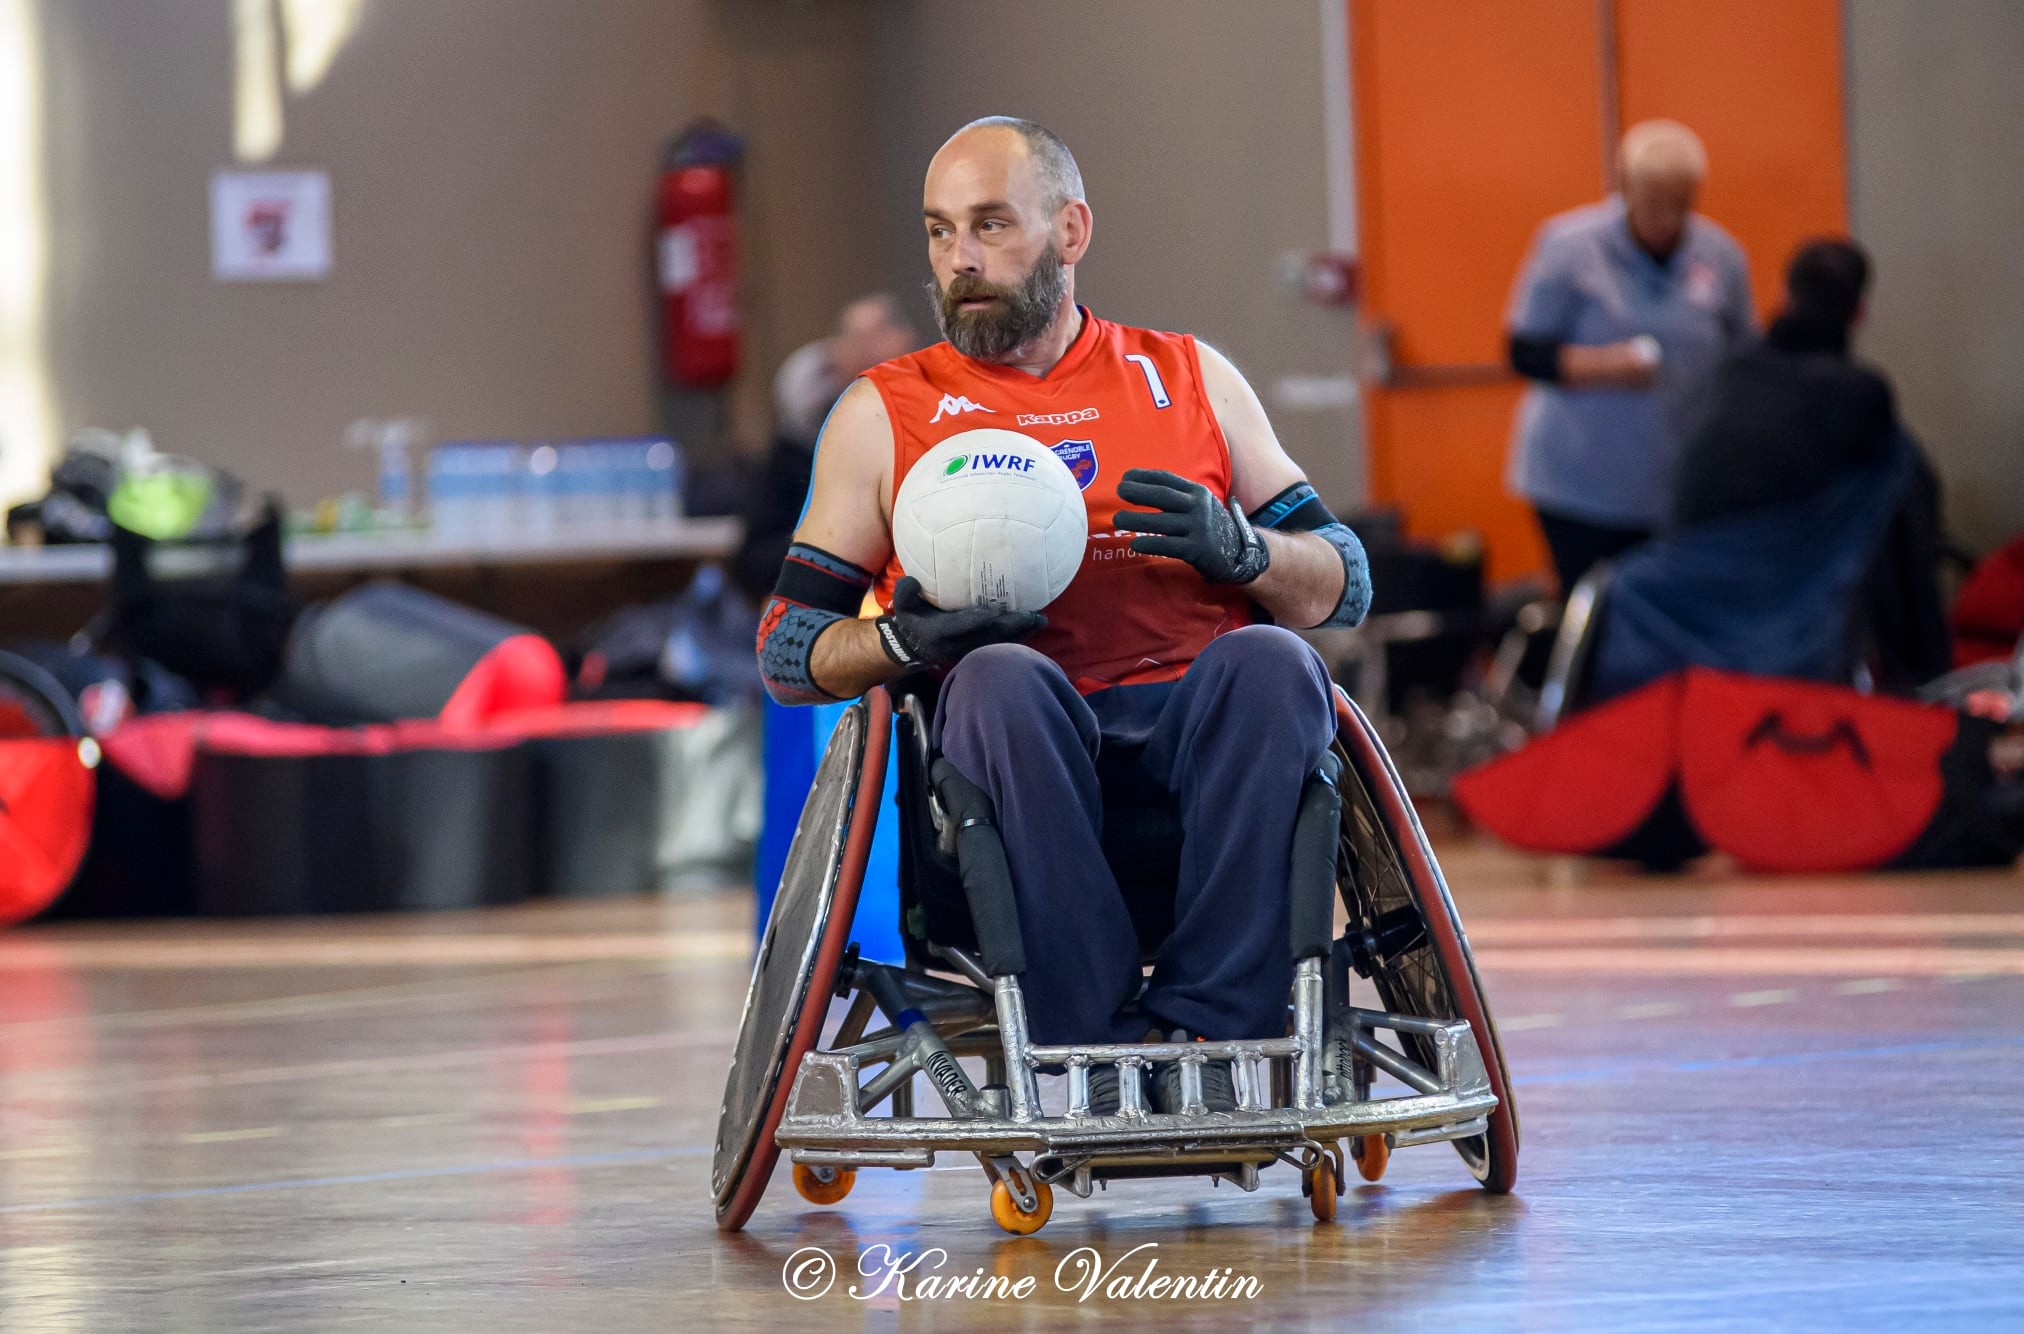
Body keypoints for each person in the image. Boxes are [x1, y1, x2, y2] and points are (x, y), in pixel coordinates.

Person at [754, 116, 1371, 1114]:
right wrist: (902, 640)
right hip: (1011, 754)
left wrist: (1248, 552)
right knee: (996, 677)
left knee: (1274, 661)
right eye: (939, 231)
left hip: (1195, 737)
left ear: (1070, 230)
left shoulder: (1187, 377)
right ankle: (1087, 1038)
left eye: (991, 225)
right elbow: (785, 650)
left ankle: (1211, 1030)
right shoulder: (882, 411)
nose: (960, 259)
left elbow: (1345, 579)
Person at [1671, 239, 1951, 686]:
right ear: (1859, 313)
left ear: (1783, 295)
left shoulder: (1731, 373)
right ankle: (1921, 675)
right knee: (1902, 474)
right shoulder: (1860, 393)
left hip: (1688, 598)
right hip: (1786, 600)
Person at [1505, 119, 1755, 592]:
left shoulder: (1721, 256)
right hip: (1579, 482)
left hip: (1676, 482)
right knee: (1598, 609)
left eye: (1679, 206)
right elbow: (1524, 352)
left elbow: (1744, 357)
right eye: (1653, 204)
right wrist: (1604, 365)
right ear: (1625, 187)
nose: (1665, 221)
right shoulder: (1569, 247)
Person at [729, 295, 917, 600]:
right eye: (855, 340)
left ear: (906, 342)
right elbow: (754, 561)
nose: (866, 351)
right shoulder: (802, 442)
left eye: (878, 336)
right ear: (836, 355)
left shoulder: (938, 422)